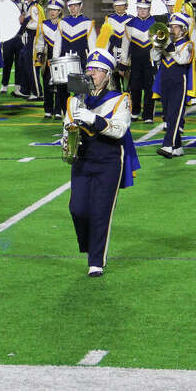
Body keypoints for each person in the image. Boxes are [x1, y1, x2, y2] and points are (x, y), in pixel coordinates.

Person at [64, 47, 139, 277]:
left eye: (97, 70)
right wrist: (66, 142)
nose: (92, 73)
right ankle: (90, 245)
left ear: (107, 75)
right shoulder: (74, 100)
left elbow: (119, 130)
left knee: (100, 211)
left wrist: (93, 119)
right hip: (83, 159)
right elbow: (66, 128)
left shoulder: (120, 100)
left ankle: (96, 259)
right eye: (89, 69)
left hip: (108, 160)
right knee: (77, 208)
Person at [154, 10, 195, 158]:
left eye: (176, 27)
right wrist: (157, 46)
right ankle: (177, 147)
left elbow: (182, 59)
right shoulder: (166, 44)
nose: (172, 30)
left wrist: (169, 47)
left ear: (183, 29)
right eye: (171, 27)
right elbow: (153, 57)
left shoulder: (188, 45)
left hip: (179, 82)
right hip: (165, 82)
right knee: (168, 114)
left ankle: (168, 145)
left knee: (175, 115)